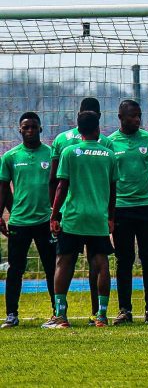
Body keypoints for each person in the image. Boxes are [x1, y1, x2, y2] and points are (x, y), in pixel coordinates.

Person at [43, 111, 118, 328]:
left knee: (64, 262)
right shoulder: (109, 154)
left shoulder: (68, 152)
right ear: (98, 129)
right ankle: (102, 316)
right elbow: (113, 190)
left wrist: (54, 214)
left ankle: (61, 315)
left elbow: (61, 186)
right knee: (101, 263)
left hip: (74, 216)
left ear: (79, 129)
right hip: (98, 217)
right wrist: (111, 217)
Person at [109, 100, 148, 324]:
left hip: (146, 208)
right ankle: (124, 310)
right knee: (124, 259)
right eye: (132, 115)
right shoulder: (110, 143)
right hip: (121, 209)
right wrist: (109, 212)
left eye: (139, 115)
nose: (137, 119)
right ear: (120, 117)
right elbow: (107, 180)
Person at [0, 112, 56, 328]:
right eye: (26, 127)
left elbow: (59, 186)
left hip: (45, 221)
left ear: (41, 129)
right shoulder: (11, 157)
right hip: (19, 222)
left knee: (52, 267)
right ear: (20, 130)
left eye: (34, 127)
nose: (30, 130)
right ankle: (12, 314)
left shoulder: (51, 155)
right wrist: (3, 215)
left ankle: (58, 311)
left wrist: (56, 214)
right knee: (15, 269)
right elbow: (4, 189)